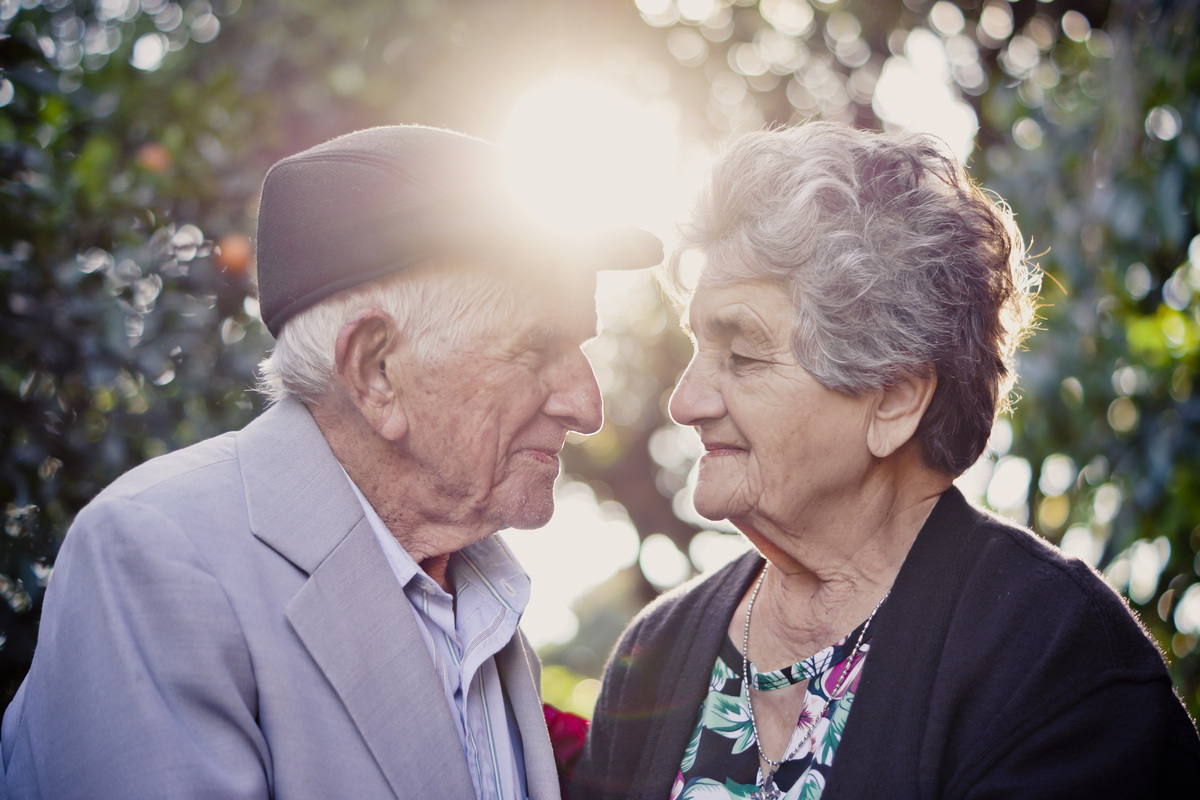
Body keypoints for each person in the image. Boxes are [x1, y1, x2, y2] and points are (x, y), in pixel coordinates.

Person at [1, 125, 662, 799]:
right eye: (537, 349)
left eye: (582, 349)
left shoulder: (481, 595)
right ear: (376, 371)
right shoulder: (156, 554)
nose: (587, 406)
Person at [570, 122, 1200, 800]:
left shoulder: (1054, 653)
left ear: (895, 399)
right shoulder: (655, 655)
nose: (685, 401)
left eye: (743, 355)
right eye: (697, 348)